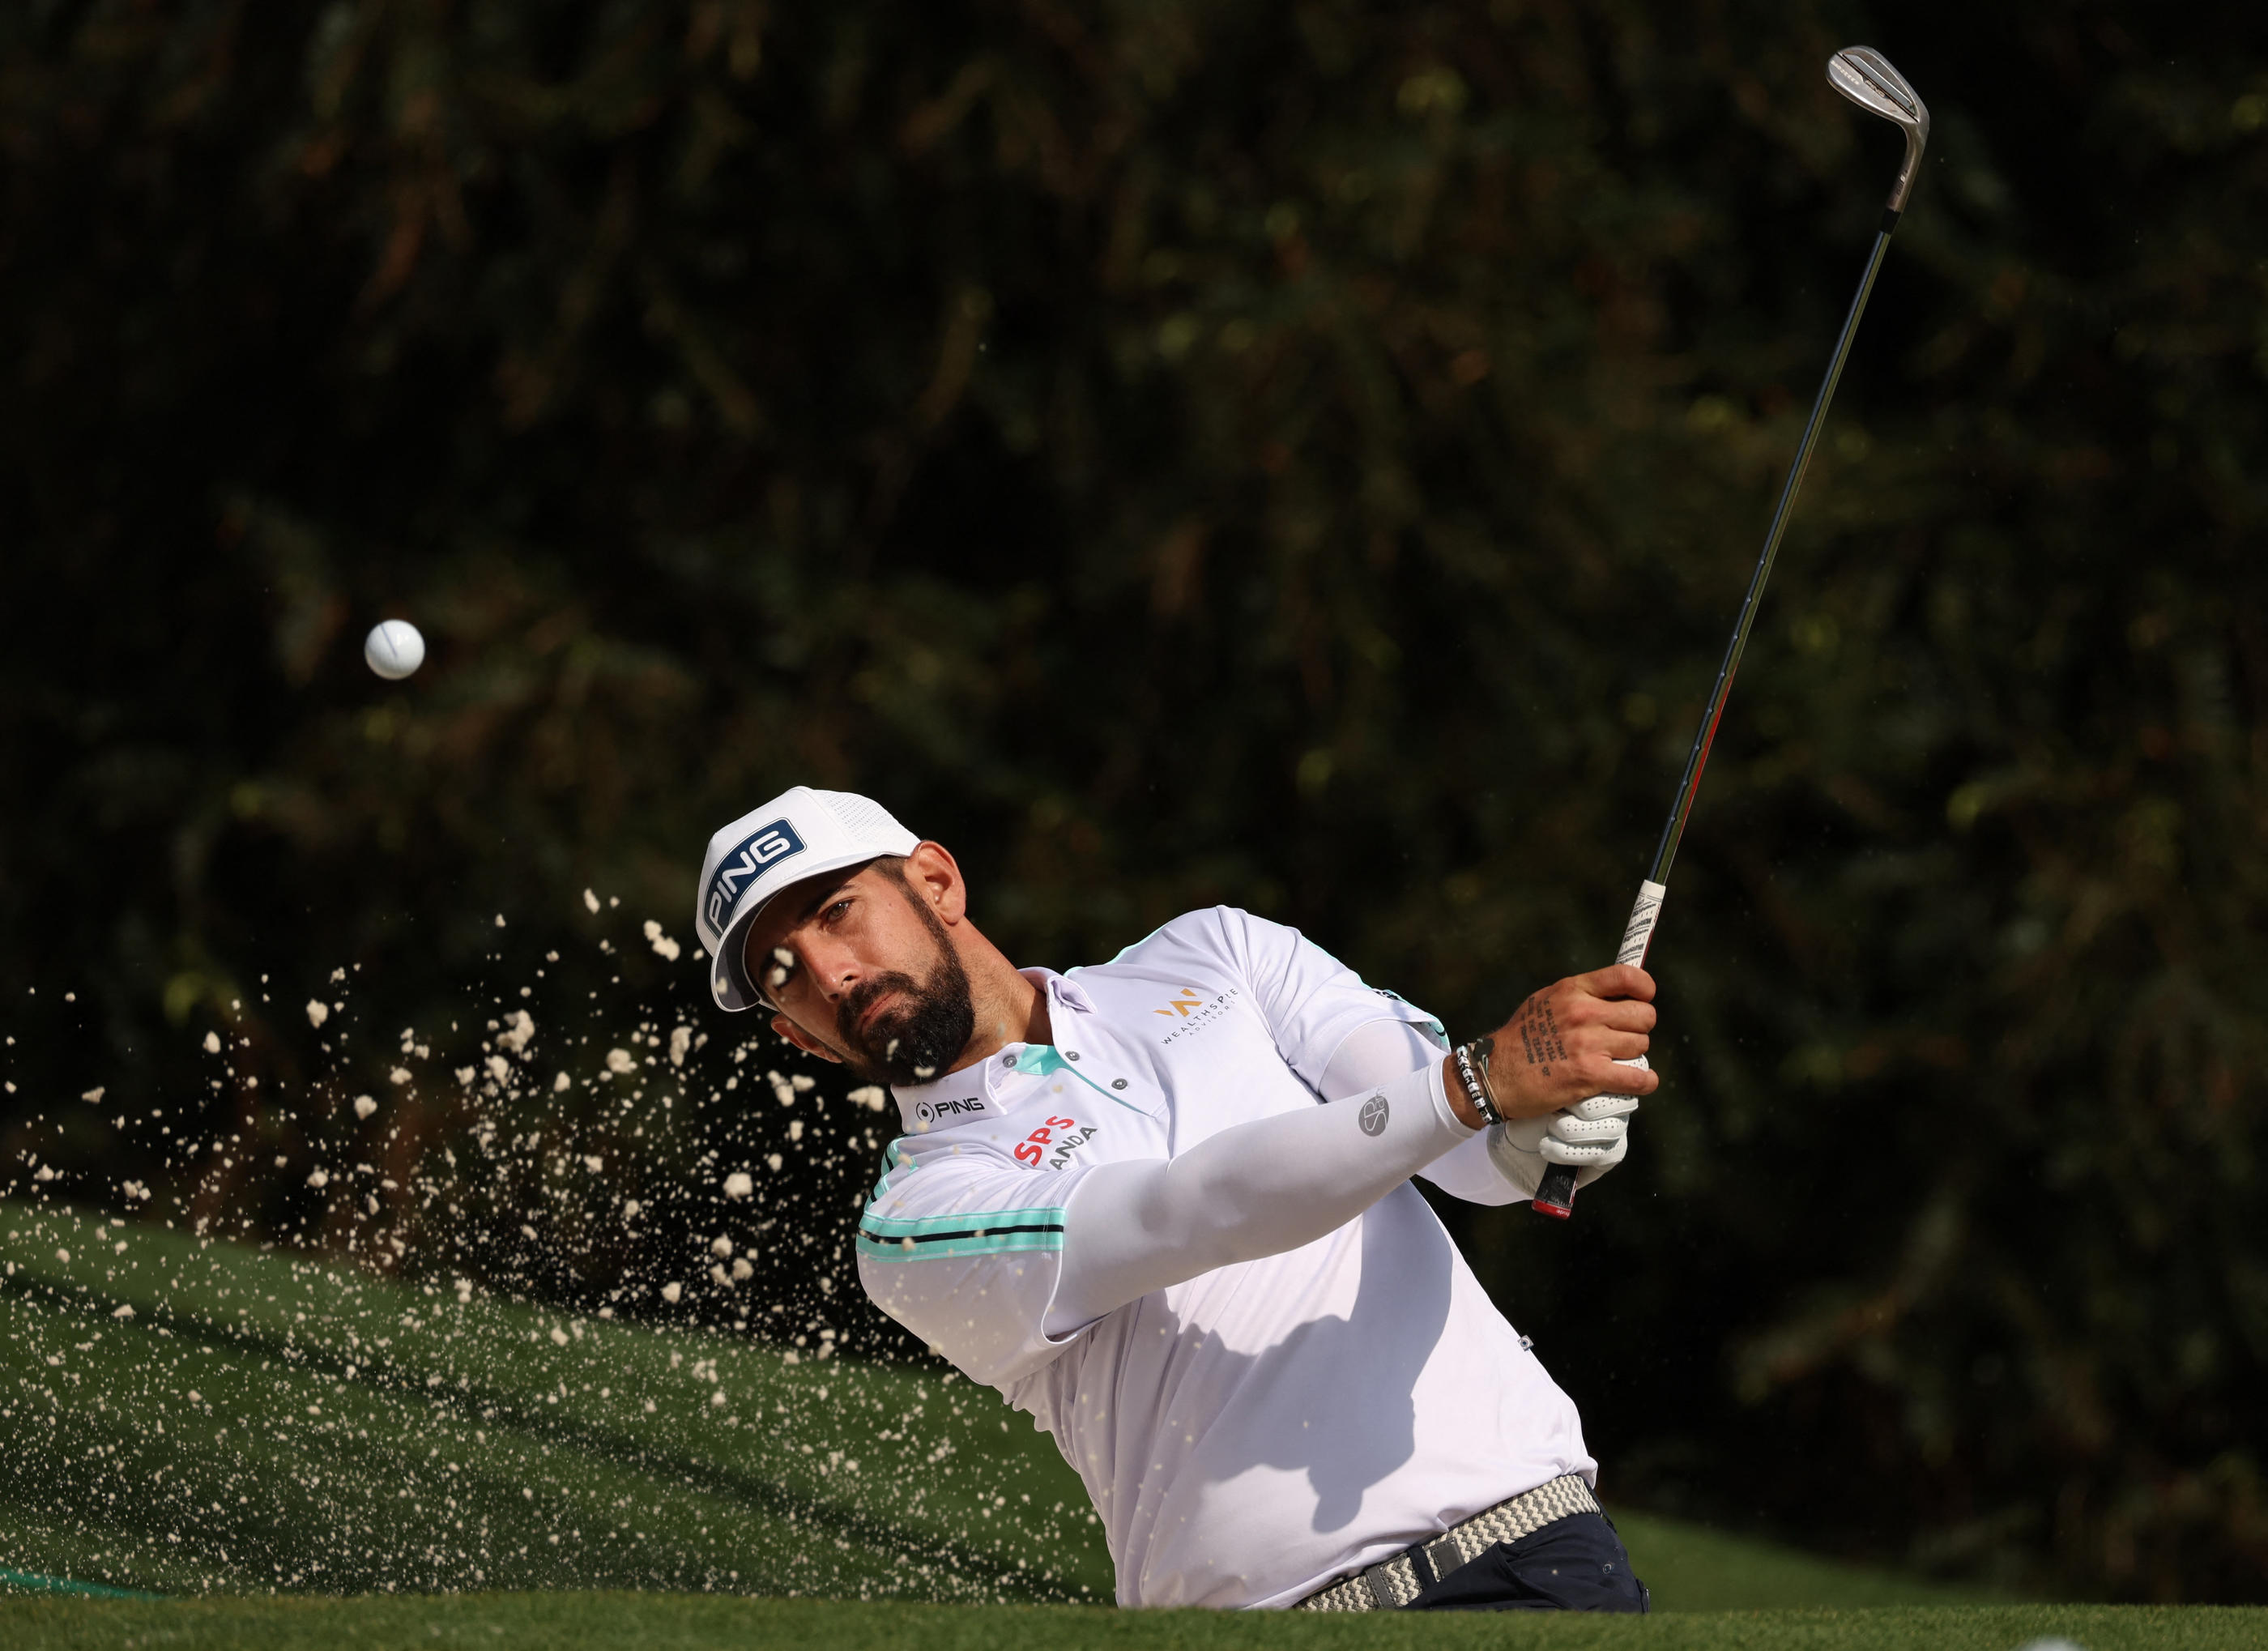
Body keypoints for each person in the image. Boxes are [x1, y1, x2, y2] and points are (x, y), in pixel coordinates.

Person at [693, 787, 1658, 1611]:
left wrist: (1544, 1134)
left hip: (1537, 1555)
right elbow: (1191, 1212)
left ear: (936, 882)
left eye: (834, 912)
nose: (829, 973)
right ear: (801, 1039)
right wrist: (1473, 1090)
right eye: (783, 974)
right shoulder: (914, 1218)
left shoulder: (1218, 952)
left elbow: (1469, 1157)